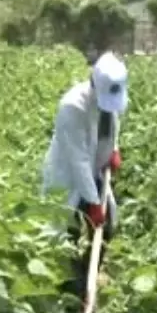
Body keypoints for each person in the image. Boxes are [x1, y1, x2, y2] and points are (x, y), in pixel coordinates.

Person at [42, 51, 127, 297]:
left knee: (107, 226)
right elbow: (78, 160)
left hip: (96, 172)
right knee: (66, 231)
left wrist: (114, 150)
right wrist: (92, 202)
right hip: (68, 176)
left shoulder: (111, 96)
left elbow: (111, 127)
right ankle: (66, 290)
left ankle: (87, 278)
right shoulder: (72, 106)